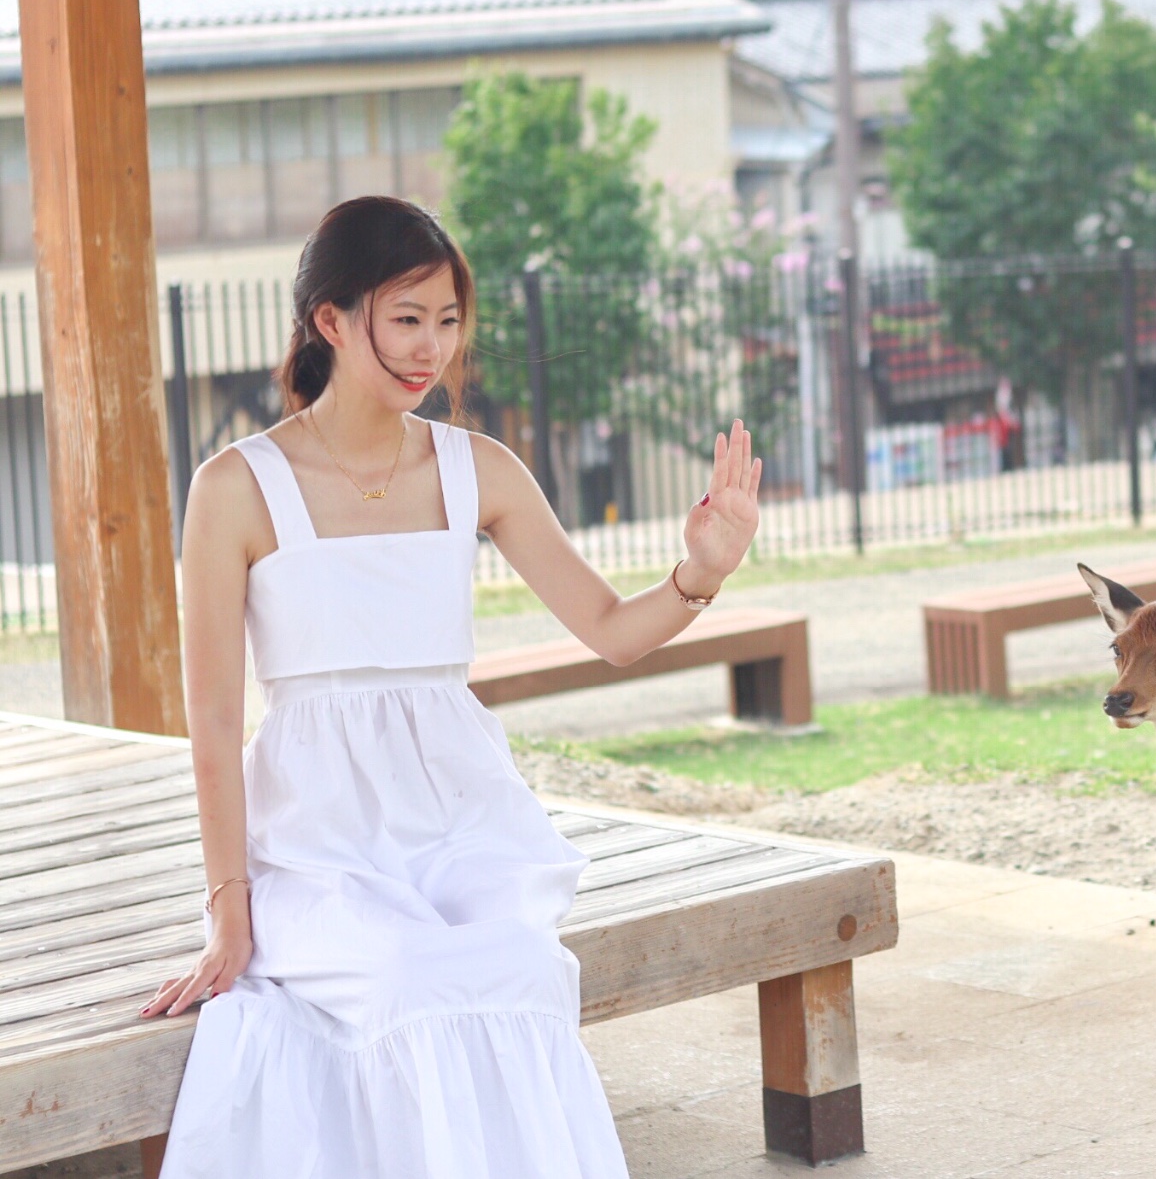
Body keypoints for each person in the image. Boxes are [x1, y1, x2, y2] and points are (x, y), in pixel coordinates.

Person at [143, 196, 762, 1177]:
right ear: (331, 321)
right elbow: (215, 717)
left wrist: (700, 575)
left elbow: (608, 631)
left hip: (461, 822)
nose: (430, 347)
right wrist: (230, 912)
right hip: (318, 839)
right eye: (405, 318)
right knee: (400, 981)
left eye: (446, 320)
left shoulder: (480, 469)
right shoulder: (236, 486)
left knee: (519, 972)